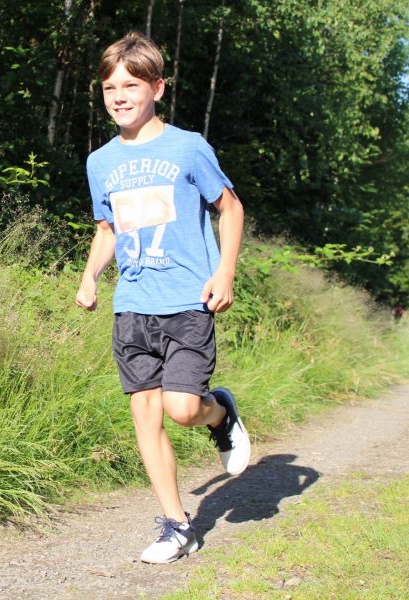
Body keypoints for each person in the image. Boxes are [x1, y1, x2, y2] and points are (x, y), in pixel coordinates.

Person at [75, 32, 250, 564]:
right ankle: (177, 525)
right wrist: (90, 276)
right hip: (132, 305)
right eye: (110, 88)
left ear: (157, 88)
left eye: (130, 86)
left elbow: (230, 207)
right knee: (146, 416)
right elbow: (107, 229)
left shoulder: (188, 147)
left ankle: (218, 413)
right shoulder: (100, 161)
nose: (119, 96)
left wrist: (225, 272)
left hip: (187, 302)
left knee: (182, 409)